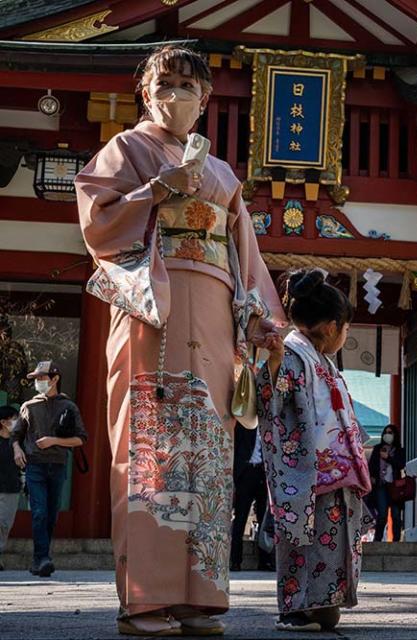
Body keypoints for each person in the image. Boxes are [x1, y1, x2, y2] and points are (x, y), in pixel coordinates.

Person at [75, 45, 284, 636]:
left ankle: (198, 596)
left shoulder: (222, 176)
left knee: (209, 455)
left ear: (206, 100)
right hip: (153, 314)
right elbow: (98, 221)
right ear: (146, 92)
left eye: (188, 86)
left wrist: (262, 319)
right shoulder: (126, 150)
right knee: (152, 449)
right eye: (165, 84)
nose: (176, 96)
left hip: (216, 318)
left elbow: (246, 258)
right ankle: (145, 599)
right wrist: (154, 193)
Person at [257, 269, 373, 632]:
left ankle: (320, 602)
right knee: (302, 535)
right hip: (306, 469)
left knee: (331, 543)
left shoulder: (320, 361)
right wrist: (274, 361)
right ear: (332, 325)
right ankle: (294, 608)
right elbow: (269, 399)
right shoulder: (291, 354)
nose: (345, 334)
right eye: (346, 328)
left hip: (332, 470)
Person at [9, 361, 87, 577]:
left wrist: (54, 440)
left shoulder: (68, 406)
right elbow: (16, 435)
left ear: (55, 379)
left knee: (51, 515)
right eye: (36, 379)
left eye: (42, 378)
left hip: (58, 465)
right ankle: (41, 558)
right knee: (39, 513)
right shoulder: (29, 406)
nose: (38, 382)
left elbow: (81, 439)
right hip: (35, 466)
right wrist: (17, 450)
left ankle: (41, 558)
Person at [230, 427, 273, 572]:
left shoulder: (269, 427)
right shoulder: (244, 426)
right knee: (240, 519)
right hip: (246, 472)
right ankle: (235, 561)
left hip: (263, 473)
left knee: (264, 518)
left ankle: (265, 561)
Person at [367, 424, 404, 542]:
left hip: (395, 487)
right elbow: (371, 465)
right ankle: (377, 540)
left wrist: (388, 458)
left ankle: (396, 540)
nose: (388, 435)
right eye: (386, 432)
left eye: (390, 433)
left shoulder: (399, 450)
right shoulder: (377, 449)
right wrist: (372, 478)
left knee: (396, 515)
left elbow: (400, 464)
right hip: (381, 485)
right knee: (382, 515)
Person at [0, 405, 23, 571]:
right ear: (3, 422)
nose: (16, 422)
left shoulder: (19, 443)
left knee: (4, 524)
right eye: (14, 418)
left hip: (10, 488)